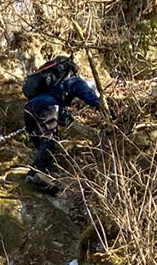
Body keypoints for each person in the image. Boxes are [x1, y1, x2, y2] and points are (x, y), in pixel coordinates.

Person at [22, 55, 102, 193]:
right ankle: (42, 173)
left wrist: (68, 120)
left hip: (28, 109)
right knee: (49, 138)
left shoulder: (49, 82)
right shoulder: (71, 78)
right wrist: (103, 108)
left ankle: (33, 174)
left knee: (42, 143)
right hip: (47, 107)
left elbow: (58, 106)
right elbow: (87, 95)